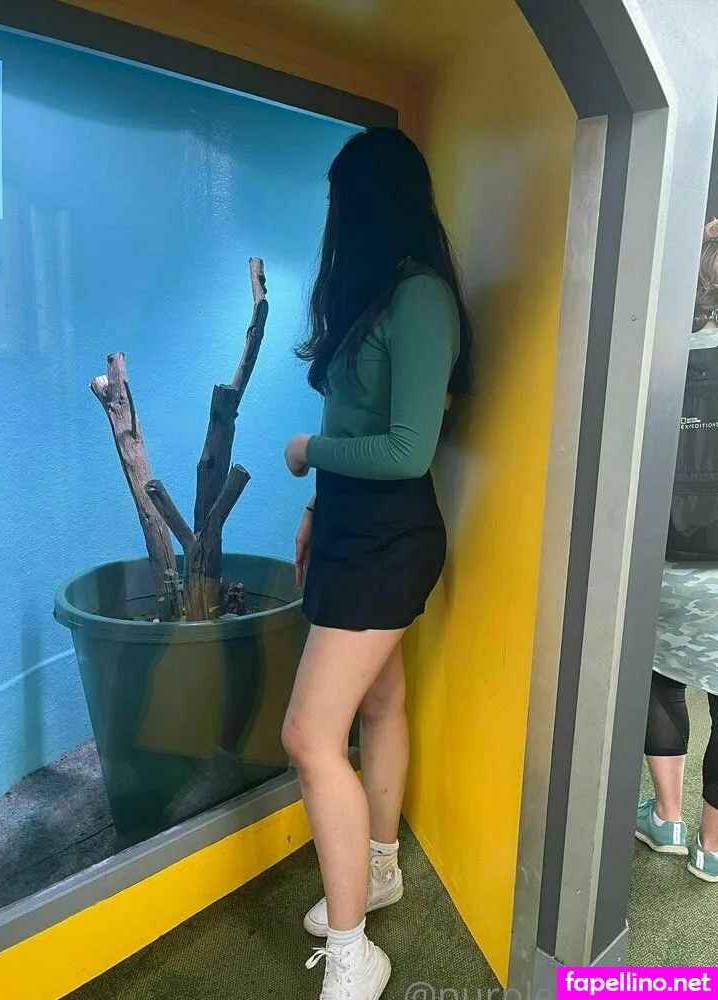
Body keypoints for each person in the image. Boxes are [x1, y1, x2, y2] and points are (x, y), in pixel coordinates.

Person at [281, 127, 472, 999]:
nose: (332, 219)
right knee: (380, 701)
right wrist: (316, 510)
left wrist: (305, 453)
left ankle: (355, 953)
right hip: (349, 526)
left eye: (339, 200)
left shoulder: (422, 297)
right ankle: (380, 867)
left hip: (392, 538)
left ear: (368, 203)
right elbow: (357, 424)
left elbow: (405, 450)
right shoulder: (373, 293)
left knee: (307, 735)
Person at [636, 221, 718, 883]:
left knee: (660, 681)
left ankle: (666, 818)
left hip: (660, 561)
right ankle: (712, 848)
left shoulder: (659, 360)